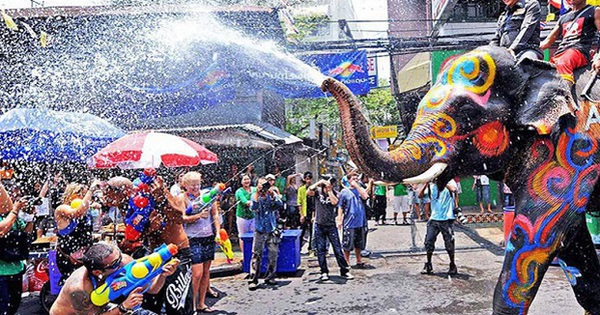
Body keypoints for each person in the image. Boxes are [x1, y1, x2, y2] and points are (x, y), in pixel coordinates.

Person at [49, 242, 179, 315]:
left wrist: (162, 274)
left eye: (119, 257)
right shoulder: (80, 289)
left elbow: (153, 289)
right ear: (98, 271)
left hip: (105, 309)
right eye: (115, 263)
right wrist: (123, 307)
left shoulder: (124, 261)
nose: (122, 263)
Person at [176, 171, 221, 313]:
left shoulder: (207, 195)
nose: (196, 188)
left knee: (206, 272)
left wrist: (218, 232)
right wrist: (197, 216)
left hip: (208, 237)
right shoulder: (182, 198)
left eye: (198, 184)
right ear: (185, 185)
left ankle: (201, 303)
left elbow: (215, 214)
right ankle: (192, 305)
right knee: (197, 273)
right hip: (192, 238)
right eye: (192, 185)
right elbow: (181, 218)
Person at [540, 0, 600, 101]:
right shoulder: (563, 18)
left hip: (579, 51)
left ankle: (564, 100)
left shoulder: (594, 11)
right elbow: (547, 42)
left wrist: (599, 57)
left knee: (564, 62)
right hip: (561, 52)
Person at [55, 180, 101, 284]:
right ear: (72, 195)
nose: (85, 198)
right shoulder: (62, 209)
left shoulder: (86, 209)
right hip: (69, 257)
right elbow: (77, 212)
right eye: (82, 195)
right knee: (73, 285)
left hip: (84, 256)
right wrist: (90, 190)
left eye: (85, 195)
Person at [309, 177, 353, 282]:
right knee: (321, 250)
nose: (330, 184)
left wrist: (329, 191)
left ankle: (344, 270)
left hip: (331, 225)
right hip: (319, 225)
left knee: (337, 249)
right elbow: (308, 191)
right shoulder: (317, 192)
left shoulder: (335, 193)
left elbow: (334, 202)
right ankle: (324, 271)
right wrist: (318, 182)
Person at [0, 184, 31, 315]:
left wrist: (30, 217)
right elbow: (2, 230)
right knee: (3, 309)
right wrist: (15, 211)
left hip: (15, 269)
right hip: (1, 273)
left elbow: (26, 232)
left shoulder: (12, 215)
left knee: (14, 305)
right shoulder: (11, 215)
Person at [248, 178, 283, 290]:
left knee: (273, 254)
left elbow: (279, 205)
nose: (263, 188)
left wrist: (272, 194)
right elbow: (253, 208)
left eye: (265, 185)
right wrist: (258, 195)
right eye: (261, 185)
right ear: (257, 185)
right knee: (256, 255)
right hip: (259, 230)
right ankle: (253, 278)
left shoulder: (271, 194)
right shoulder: (254, 195)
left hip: (272, 229)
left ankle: (270, 276)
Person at [420, 179, 459, 276]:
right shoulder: (431, 186)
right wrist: (426, 183)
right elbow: (420, 195)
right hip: (434, 219)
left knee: (449, 243)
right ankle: (428, 264)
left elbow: (454, 189)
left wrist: (442, 181)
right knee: (428, 241)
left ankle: (452, 264)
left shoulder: (449, 182)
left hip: (446, 218)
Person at [337, 172, 369, 268]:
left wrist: (357, 187)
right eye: (353, 179)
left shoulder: (360, 190)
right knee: (347, 243)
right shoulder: (344, 192)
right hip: (349, 222)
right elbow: (340, 206)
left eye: (356, 179)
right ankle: (346, 261)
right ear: (349, 180)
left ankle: (358, 260)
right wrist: (339, 219)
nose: (355, 181)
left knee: (359, 243)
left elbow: (365, 196)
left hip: (360, 221)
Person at [235, 174, 256, 252]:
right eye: (244, 180)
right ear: (241, 182)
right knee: (242, 236)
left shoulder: (254, 189)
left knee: (254, 235)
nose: (247, 181)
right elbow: (245, 202)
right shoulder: (239, 191)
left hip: (253, 216)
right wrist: (255, 203)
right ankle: (244, 255)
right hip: (242, 217)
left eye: (248, 179)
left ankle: (252, 253)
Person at [297, 172, 316, 254]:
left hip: (311, 212)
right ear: (304, 179)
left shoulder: (314, 189)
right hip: (304, 212)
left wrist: (313, 215)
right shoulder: (301, 189)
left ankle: (311, 248)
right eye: (307, 179)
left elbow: (315, 203)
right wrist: (301, 215)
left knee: (312, 231)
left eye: (310, 179)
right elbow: (299, 202)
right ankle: (298, 248)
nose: (308, 181)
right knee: (302, 230)